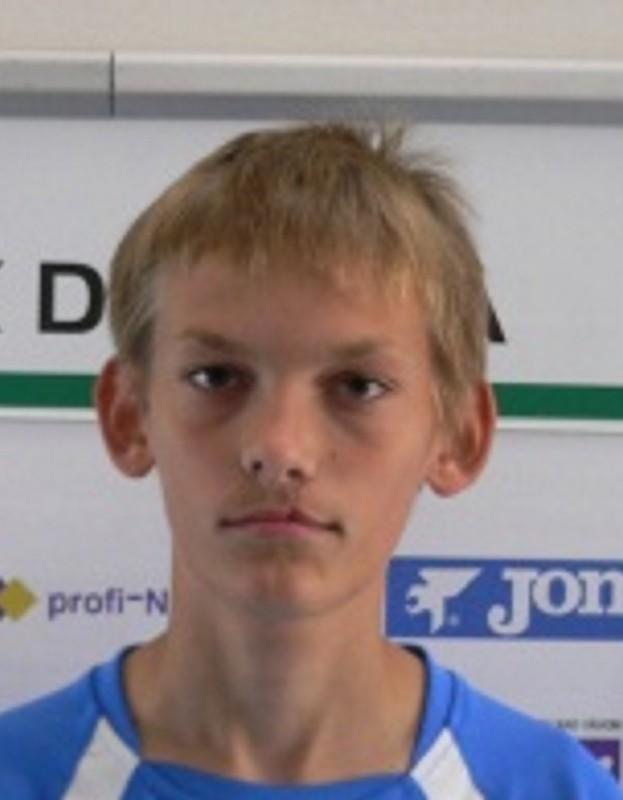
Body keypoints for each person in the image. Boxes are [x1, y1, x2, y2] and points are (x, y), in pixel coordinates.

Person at [0, 123, 620, 799]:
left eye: (358, 387)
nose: (280, 448)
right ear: (127, 416)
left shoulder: (555, 788)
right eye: (215, 377)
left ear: (459, 436)